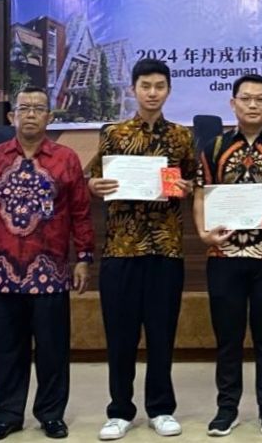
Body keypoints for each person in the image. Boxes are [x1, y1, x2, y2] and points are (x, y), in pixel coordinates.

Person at [0, 86, 95, 442]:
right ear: (11, 116)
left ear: (49, 116)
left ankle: (51, 414)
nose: (31, 114)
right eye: (24, 108)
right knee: (6, 350)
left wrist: (83, 258)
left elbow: (81, 213)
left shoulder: (66, 159)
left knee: (53, 350)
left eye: (39, 108)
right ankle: (8, 414)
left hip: (50, 272)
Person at [87, 59, 196, 441]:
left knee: (162, 333)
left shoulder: (181, 136)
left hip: (166, 249)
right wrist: (94, 186)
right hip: (121, 249)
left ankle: (161, 408)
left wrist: (186, 188)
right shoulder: (114, 134)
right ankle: (119, 410)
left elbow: (193, 181)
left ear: (168, 90)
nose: (152, 93)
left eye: (159, 86)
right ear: (133, 89)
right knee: (120, 336)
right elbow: (93, 177)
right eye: (145, 86)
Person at [194, 74, 262, 437]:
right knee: (228, 337)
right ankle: (226, 408)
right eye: (246, 99)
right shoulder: (214, 146)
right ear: (233, 103)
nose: (253, 105)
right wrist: (202, 232)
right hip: (223, 254)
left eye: (260, 99)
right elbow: (201, 194)